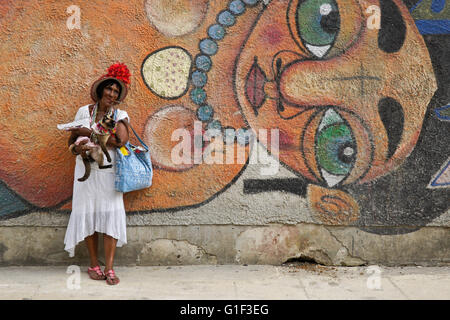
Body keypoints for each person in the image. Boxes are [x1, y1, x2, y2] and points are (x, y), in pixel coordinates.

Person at [64, 63, 132, 285]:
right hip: (85, 172)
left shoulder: (120, 115)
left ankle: (110, 267)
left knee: (110, 214)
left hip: (108, 173)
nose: (112, 94)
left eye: (116, 91)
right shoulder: (84, 112)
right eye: (109, 89)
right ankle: (94, 263)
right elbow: (71, 141)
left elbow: (120, 140)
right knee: (87, 215)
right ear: (101, 89)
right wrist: (79, 145)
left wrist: (88, 134)